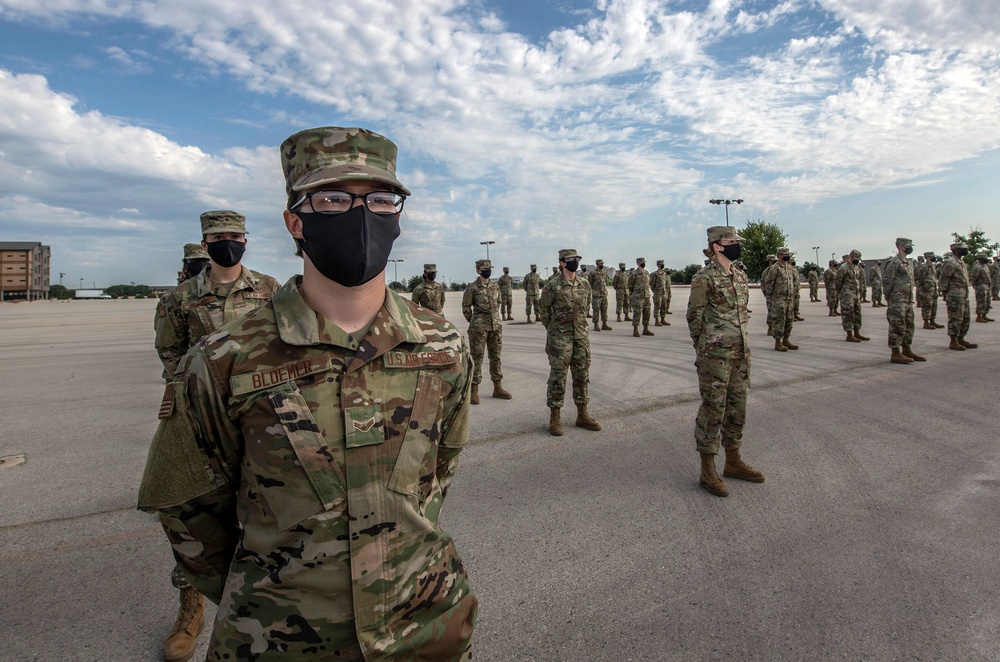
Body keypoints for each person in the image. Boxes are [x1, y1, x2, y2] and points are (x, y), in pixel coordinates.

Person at [138, 126, 478, 661]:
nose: (361, 214)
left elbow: (439, 473)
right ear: (296, 221)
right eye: (334, 198)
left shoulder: (442, 345)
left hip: (424, 628)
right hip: (279, 640)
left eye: (381, 199)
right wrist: (271, 587)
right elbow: (187, 508)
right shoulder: (224, 359)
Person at [154, 211, 281, 384]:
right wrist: (190, 385)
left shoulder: (269, 287)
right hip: (205, 391)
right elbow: (169, 349)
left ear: (245, 243)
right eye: (218, 237)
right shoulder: (180, 296)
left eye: (235, 236)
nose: (228, 243)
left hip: (259, 390)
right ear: (205, 246)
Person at [687, 226, 763, 498]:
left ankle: (733, 461)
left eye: (735, 241)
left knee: (737, 407)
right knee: (713, 409)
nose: (735, 245)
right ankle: (707, 468)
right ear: (717, 246)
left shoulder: (739, 276)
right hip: (715, 357)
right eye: (731, 242)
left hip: (741, 354)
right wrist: (705, 350)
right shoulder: (704, 277)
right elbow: (694, 317)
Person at [539, 249, 601, 436]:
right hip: (560, 339)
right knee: (558, 378)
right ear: (563, 263)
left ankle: (582, 415)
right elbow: (544, 313)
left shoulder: (585, 284)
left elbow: (586, 307)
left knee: (582, 375)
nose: (575, 262)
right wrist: (556, 331)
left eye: (577, 259)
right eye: (572, 260)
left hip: (581, 337)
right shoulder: (552, 286)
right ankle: (555, 418)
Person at [464, 259, 512, 403]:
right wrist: (476, 322)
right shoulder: (472, 288)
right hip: (479, 329)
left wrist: (495, 320)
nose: (488, 270)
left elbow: (498, 303)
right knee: (477, 359)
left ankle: (498, 388)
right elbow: (466, 309)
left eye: (489, 268)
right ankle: (473, 391)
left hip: (495, 327)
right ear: (478, 270)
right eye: (485, 268)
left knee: (496, 357)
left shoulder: (495, 286)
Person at [882, 238, 925, 364]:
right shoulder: (894, 262)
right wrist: (890, 298)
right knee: (897, 327)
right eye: (908, 246)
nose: (910, 248)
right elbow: (887, 283)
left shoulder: (906, 262)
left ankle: (906, 349)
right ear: (901, 246)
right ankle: (895, 353)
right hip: (897, 301)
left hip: (908, 300)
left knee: (909, 326)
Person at [938, 241, 977, 350]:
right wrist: (944, 293)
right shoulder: (950, 263)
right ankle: (953, 341)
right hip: (955, 296)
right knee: (955, 318)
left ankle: (961, 338)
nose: (965, 250)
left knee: (965, 318)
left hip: (963, 295)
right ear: (956, 250)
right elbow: (944, 279)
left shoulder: (961, 262)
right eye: (962, 249)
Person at [761, 247, 799, 351]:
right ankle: (778, 343)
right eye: (784, 254)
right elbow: (768, 284)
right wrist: (772, 297)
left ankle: (786, 340)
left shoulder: (789, 268)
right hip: (779, 299)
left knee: (789, 320)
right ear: (779, 255)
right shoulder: (775, 268)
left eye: (787, 254)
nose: (787, 256)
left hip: (789, 299)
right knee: (779, 321)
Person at [837, 249, 869, 342]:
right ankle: (849, 334)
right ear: (851, 257)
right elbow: (838, 282)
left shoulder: (856, 267)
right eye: (856, 258)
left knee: (857, 313)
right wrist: (841, 293)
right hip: (847, 295)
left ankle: (857, 332)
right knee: (848, 314)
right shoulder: (843, 268)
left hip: (856, 294)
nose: (857, 260)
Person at [916, 251, 944, 329]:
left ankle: (932, 321)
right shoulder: (924, 267)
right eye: (932, 256)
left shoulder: (933, 266)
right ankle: (926, 323)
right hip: (926, 290)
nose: (934, 258)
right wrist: (921, 288)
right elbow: (920, 278)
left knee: (934, 306)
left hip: (933, 290)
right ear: (928, 257)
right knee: (927, 306)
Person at [628, 257, 653, 337]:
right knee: (637, 313)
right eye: (642, 262)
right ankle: (635, 330)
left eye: (644, 262)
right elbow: (630, 285)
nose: (643, 263)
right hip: (637, 296)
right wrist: (633, 295)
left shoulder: (646, 273)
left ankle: (646, 329)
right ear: (638, 263)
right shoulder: (634, 274)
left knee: (647, 313)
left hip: (646, 296)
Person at [587, 258, 612, 331]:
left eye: (602, 264)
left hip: (604, 294)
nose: (602, 265)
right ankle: (596, 325)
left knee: (604, 309)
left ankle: (604, 324)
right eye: (601, 264)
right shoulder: (593, 273)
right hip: (596, 295)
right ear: (597, 264)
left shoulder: (604, 272)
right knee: (596, 310)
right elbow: (589, 283)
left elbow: (605, 282)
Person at [970, 253, 994, 323]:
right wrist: (975, 285)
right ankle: (979, 316)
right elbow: (974, 277)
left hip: (987, 285)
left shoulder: (985, 266)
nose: (986, 259)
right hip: (981, 286)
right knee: (981, 301)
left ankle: (984, 315)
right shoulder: (977, 267)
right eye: (984, 258)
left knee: (987, 301)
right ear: (980, 259)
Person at [760, 254, 777, 335]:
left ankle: (777, 329)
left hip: (779, 295)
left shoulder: (779, 269)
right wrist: (766, 293)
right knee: (771, 312)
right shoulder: (766, 271)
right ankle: (770, 328)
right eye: (773, 260)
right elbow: (763, 283)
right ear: (769, 261)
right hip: (770, 295)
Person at [650, 260, 671, 327]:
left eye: (663, 264)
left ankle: (662, 319)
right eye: (661, 264)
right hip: (657, 293)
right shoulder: (655, 274)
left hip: (664, 293)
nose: (663, 265)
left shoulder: (664, 274)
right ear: (658, 265)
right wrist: (656, 291)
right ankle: (657, 320)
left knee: (663, 307)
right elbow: (652, 284)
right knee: (657, 307)